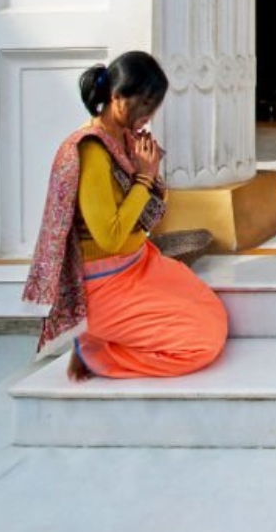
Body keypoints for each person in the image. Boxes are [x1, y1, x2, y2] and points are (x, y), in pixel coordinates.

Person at [22, 52, 228, 381]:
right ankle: (98, 354)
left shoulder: (120, 139)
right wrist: (144, 178)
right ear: (116, 97)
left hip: (138, 263)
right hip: (104, 285)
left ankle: (100, 340)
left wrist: (146, 171)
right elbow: (112, 237)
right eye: (143, 105)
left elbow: (147, 216)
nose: (148, 115)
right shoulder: (92, 152)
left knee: (213, 312)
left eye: (153, 106)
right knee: (203, 343)